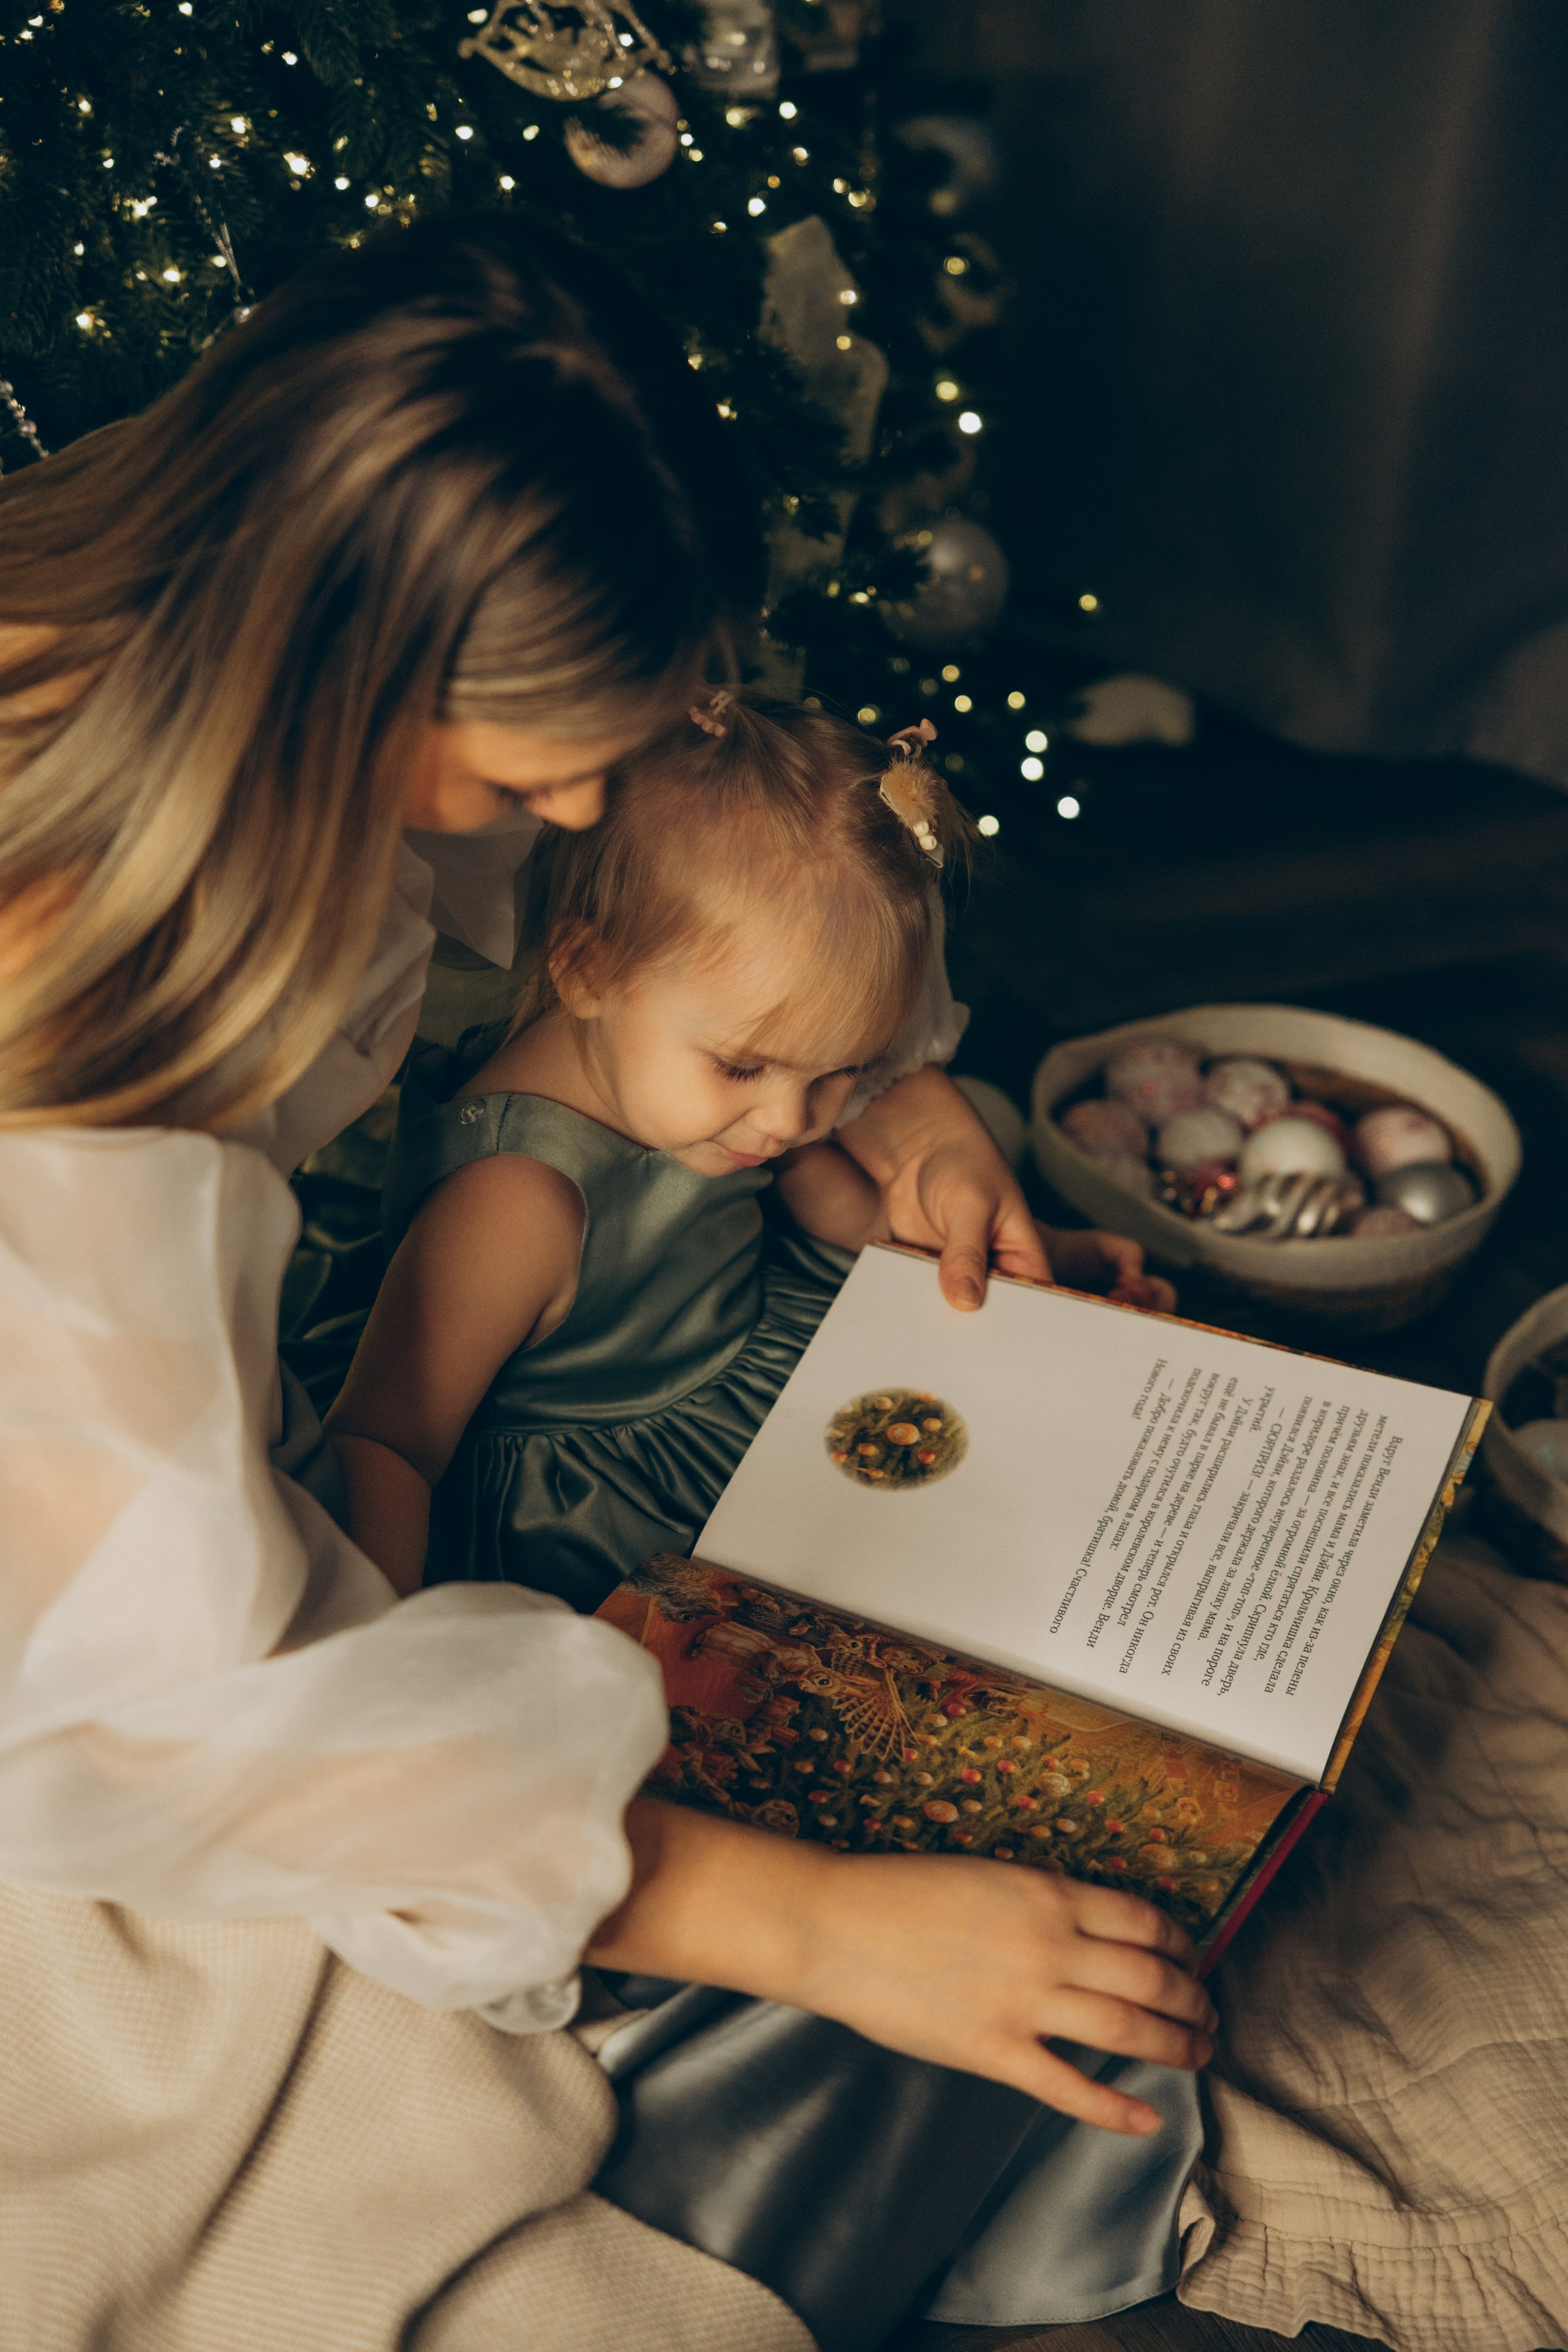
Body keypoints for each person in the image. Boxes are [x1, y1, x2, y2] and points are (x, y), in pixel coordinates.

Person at [0, 217, 1213, 2352]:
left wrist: (905, 1099)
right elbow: (167, 1724)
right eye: (523, 767)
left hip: (185, 1554)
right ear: (350, 666)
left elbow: (673, 862)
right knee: (633, 2034)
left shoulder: (209, 664)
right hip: (79, 1687)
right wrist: (811, 1925)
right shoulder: (68, 1043)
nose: (567, 805)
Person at [328, 696, 1169, 1610]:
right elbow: (387, 1441)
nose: (787, 1120)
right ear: (588, 969)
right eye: (743, 1066)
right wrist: (370, 1648)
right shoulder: (516, 1201)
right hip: (607, 1502)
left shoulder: (722, 1109)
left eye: (840, 1072)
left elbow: (855, 1221)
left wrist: (1039, 1259)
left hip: (757, 1364)